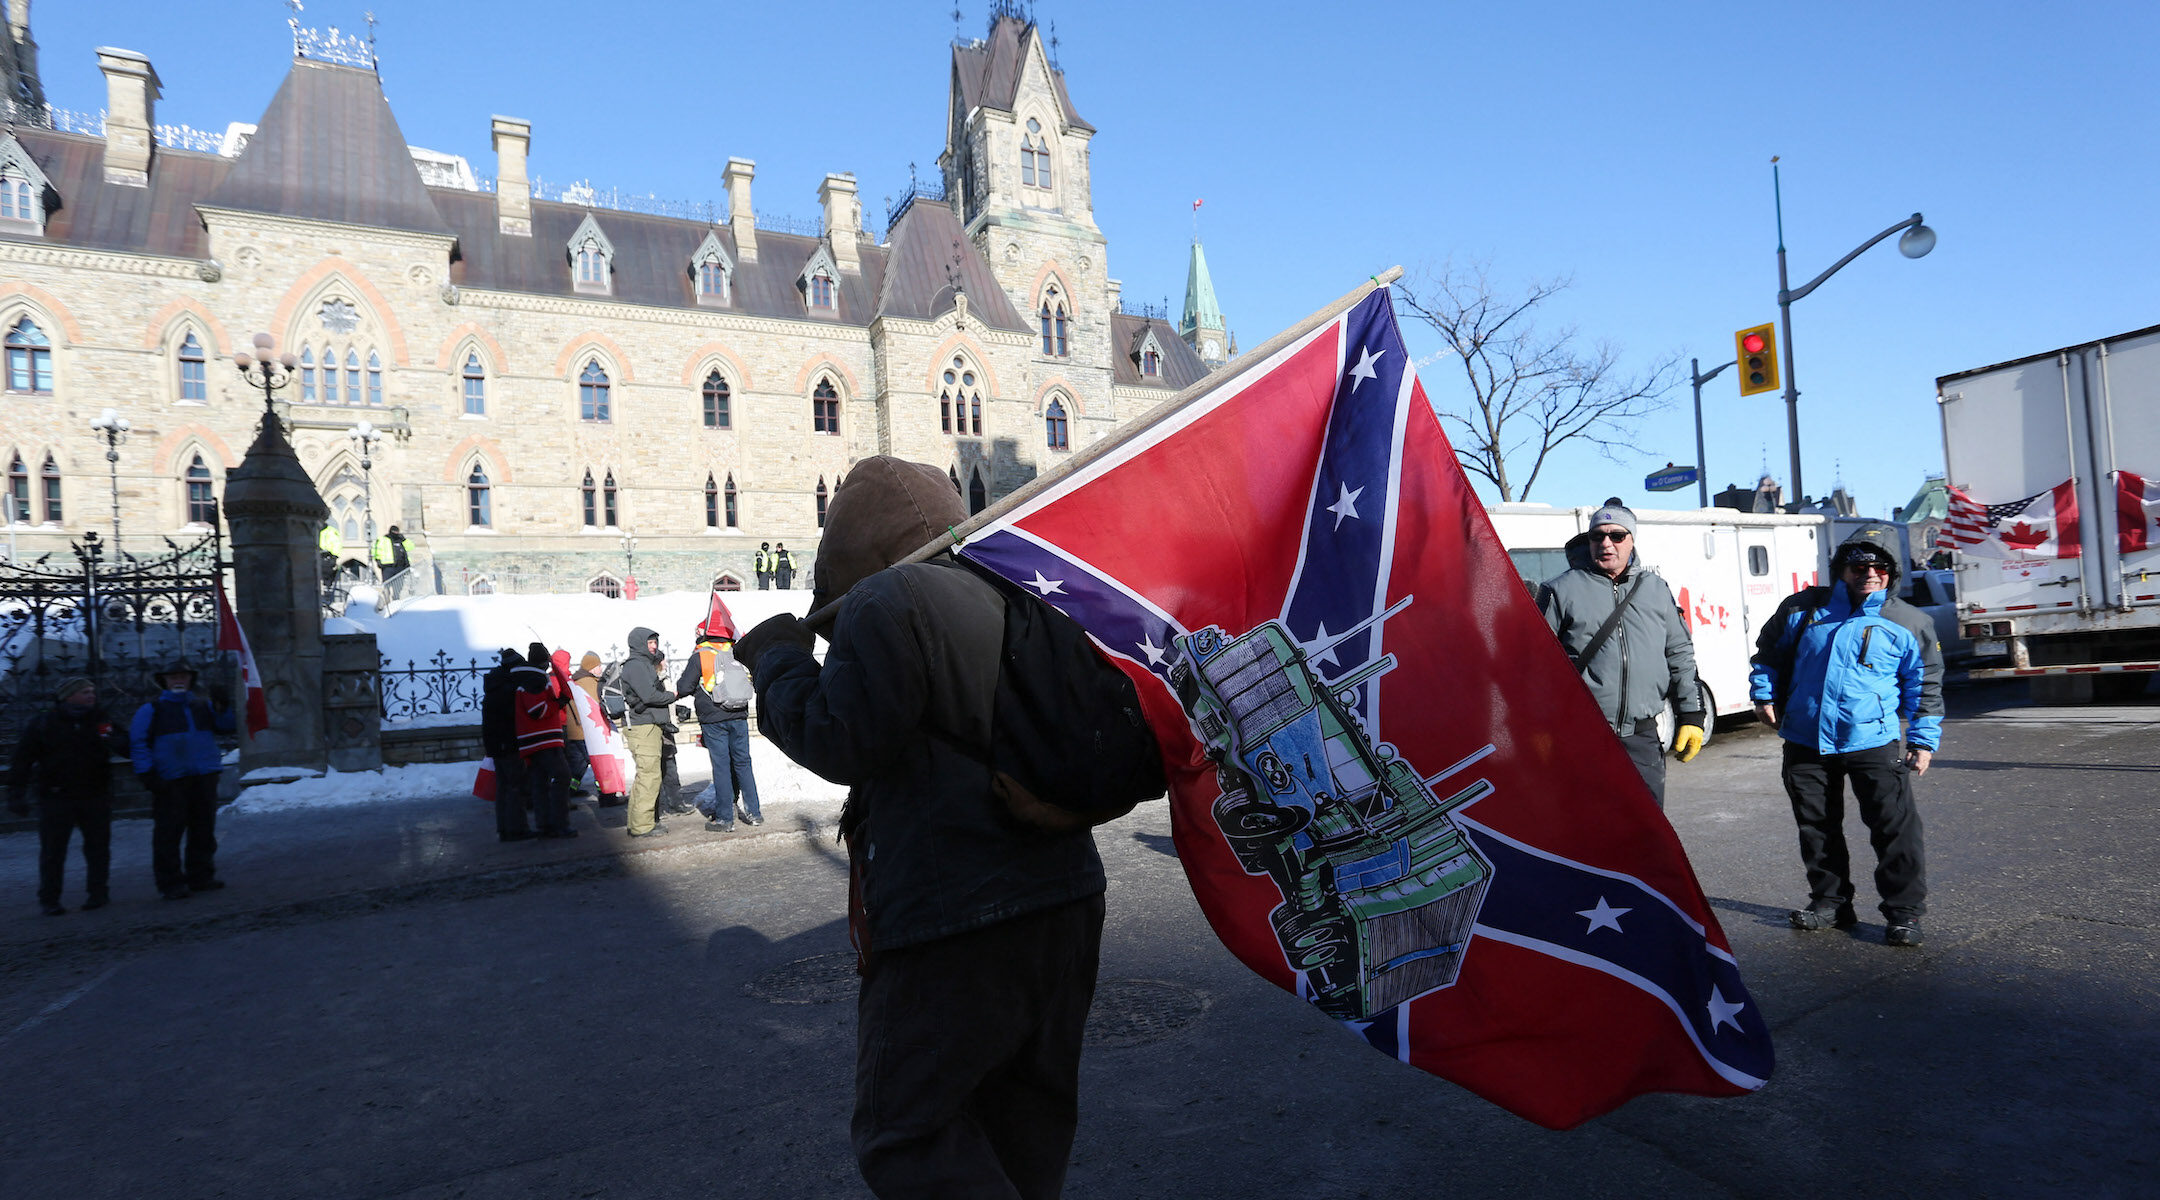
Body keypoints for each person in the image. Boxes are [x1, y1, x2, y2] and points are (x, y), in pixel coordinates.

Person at [736, 456, 1109, 1199]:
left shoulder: (892, 598)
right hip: (1064, 892)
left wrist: (779, 660)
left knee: (905, 1132)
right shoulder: (1025, 586)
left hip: (955, 909)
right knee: (1023, 1124)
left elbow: (841, 738)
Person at [1750, 526, 1943, 948]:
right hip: (1805, 737)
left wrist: (1923, 740)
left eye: (1879, 566)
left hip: (1872, 740)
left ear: (1891, 572)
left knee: (1894, 830)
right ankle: (1831, 902)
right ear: (1842, 570)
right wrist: (1763, 695)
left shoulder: (1910, 622)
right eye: (1859, 566)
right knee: (1816, 827)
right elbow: (1768, 655)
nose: (1869, 573)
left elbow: (1925, 684)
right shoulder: (1802, 609)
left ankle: (1904, 913)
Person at [1536, 502, 1705, 807]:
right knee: (1589, 835)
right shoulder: (1559, 590)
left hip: (1641, 737)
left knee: (1649, 834)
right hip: (1581, 738)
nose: (1605, 543)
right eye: (1597, 536)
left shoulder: (1655, 588)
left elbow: (1679, 653)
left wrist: (1692, 715)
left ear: (1632, 539)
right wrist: (1540, 729)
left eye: (1616, 535)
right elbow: (1534, 665)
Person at [9, 677, 127, 915]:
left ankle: (98, 893)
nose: (91, 695)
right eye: (85, 692)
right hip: (56, 797)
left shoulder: (100, 719)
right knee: (53, 851)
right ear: (68, 696)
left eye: (92, 691)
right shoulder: (44, 723)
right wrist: (16, 794)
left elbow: (126, 746)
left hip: (94, 794)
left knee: (98, 848)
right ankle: (50, 899)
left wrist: (115, 740)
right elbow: (22, 760)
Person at [129, 662, 235, 899]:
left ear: (190, 680)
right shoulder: (151, 710)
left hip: (204, 775)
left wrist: (223, 706)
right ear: (164, 681)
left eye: (183, 676)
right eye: (173, 676)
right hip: (171, 779)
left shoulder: (203, 706)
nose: (179, 680)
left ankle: (201, 876)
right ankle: (170, 882)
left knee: (203, 830)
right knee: (169, 833)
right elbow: (138, 744)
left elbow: (227, 726)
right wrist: (147, 775)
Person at [678, 601, 760, 832]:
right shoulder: (736, 652)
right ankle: (754, 813)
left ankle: (725, 818)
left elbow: (684, 687)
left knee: (722, 767)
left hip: (713, 719)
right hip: (739, 715)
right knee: (743, 764)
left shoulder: (701, 656)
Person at [510, 642, 578, 840]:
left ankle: (545, 825)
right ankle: (560, 824)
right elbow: (537, 710)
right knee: (562, 777)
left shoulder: (525, 678)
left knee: (540, 783)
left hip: (532, 741)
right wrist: (557, 705)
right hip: (544, 739)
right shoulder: (535, 679)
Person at [618, 626, 680, 837]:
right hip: (642, 727)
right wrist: (672, 695)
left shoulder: (643, 664)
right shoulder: (636, 666)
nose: (654, 646)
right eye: (650, 642)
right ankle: (642, 826)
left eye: (655, 642)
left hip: (647, 725)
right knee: (649, 776)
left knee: (646, 775)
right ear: (639, 643)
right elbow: (649, 695)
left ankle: (638, 823)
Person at [481, 648, 533, 841]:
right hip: (508, 742)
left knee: (504, 787)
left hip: (496, 742)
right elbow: (513, 716)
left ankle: (505, 828)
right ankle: (517, 829)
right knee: (515, 786)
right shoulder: (507, 687)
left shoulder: (495, 683)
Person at [572, 651, 631, 806]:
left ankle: (570, 789)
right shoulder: (590, 683)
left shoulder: (577, 681)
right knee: (603, 762)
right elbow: (599, 705)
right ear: (591, 667)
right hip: (592, 731)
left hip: (578, 730)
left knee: (580, 764)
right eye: (598, 666)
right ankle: (607, 796)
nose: (600, 669)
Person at [551, 648, 592, 798]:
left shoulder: (550, 678)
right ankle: (566, 792)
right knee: (575, 760)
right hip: (567, 724)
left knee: (575, 760)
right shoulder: (563, 678)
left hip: (562, 724)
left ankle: (570, 789)